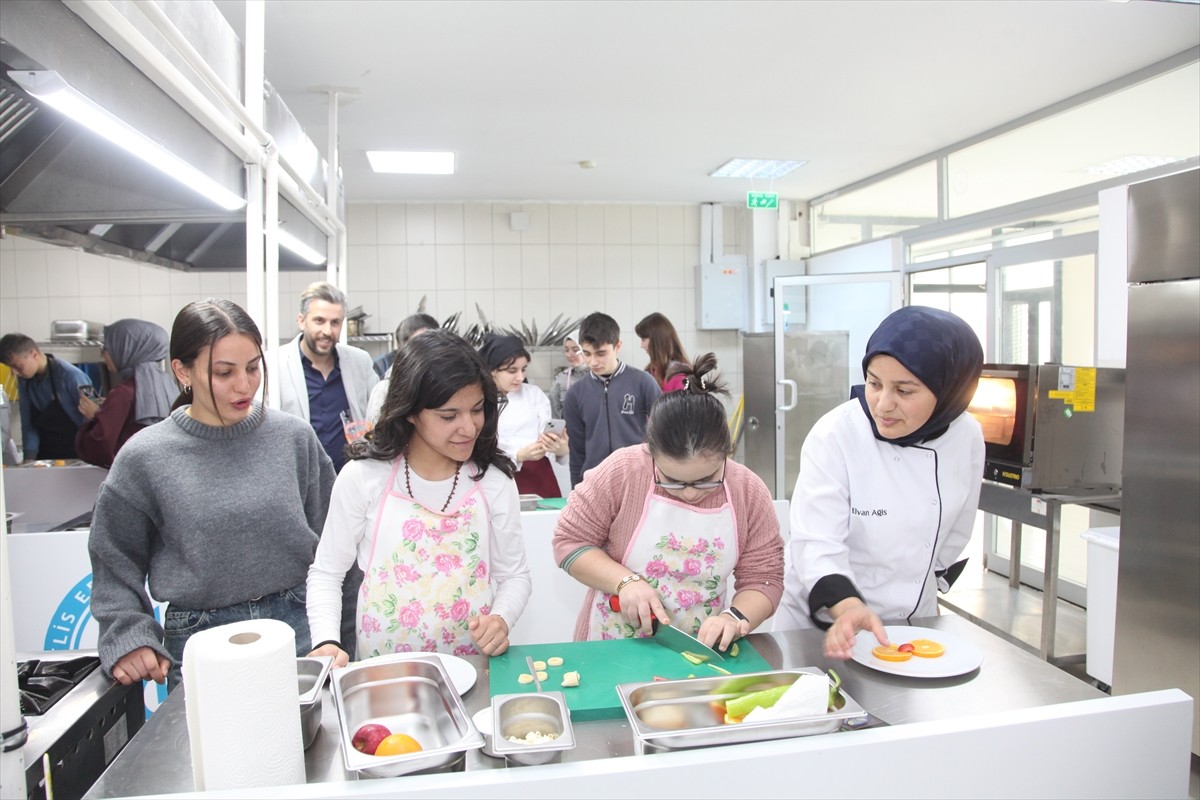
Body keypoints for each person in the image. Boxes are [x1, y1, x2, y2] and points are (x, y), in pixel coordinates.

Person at [87, 299, 336, 691]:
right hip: (202, 640)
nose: (244, 385)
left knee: (308, 749)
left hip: (300, 630)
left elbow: (337, 550)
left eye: (254, 368)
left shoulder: (294, 439)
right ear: (182, 371)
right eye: (224, 372)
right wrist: (127, 633)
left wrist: (338, 632)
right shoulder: (145, 457)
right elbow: (113, 557)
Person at [306, 329, 532, 666]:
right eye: (448, 416)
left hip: (472, 666)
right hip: (383, 670)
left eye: (476, 410)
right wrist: (326, 640)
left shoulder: (493, 482)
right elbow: (327, 573)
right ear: (410, 410)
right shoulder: (365, 477)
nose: (469, 428)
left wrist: (501, 619)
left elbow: (515, 575)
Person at [775, 306, 985, 660]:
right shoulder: (837, 434)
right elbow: (815, 543)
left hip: (912, 624)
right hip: (824, 627)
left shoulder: (967, 436)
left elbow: (957, 529)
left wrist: (930, 581)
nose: (883, 405)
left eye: (904, 391)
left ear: (951, 391)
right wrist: (849, 606)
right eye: (874, 383)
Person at [552, 353, 783, 650]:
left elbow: (764, 579)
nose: (689, 492)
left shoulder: (748, 491)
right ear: (651, 453)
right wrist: (624, 582)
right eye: (672, 480)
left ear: (728, 452)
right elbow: (569, 543)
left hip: (701, 650)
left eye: (706, 479)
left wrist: (734, 617)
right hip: (612, 646)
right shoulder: (623, 472)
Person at [279, 281, 379, 472]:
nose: (327, 331)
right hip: (300, 478)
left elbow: (379, 415)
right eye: (319, 321)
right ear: (301, 321)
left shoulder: (359, 362)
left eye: (335, 323)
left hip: (350, 478)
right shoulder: (276, 364)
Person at [563, 312, 661, 487]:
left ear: (618, 346)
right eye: (587, 353)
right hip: (595, 484)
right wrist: (576, 490)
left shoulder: (643, 382)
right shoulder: (575, 394)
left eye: (601, 353)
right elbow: (577, 452)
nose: (593, 362)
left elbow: (663, 436)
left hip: (638, 481)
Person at [75, 319, 177, 468]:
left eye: (107, 348)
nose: (103, 355)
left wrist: (96, 416)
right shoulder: (167, 385)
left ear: (126, 349)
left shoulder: (123, 392)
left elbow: (101, 447)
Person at [479, 334, 568, 498]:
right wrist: (518, 455)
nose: (520, 377)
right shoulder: (480, 402)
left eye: (524, 369)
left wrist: (560, 449)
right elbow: (482, 449)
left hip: (540, 476)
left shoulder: (534, 394)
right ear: (492, 370)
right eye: (512, 371)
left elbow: (547, 435)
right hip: (499, 477)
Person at [0, 333, 93, 460]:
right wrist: (29, 459)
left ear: (34, 354)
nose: (15, 372)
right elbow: (28, 424)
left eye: (17, 366)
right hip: (46, 454)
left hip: (78, 452)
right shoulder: (25, 382)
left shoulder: (71, 376)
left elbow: (92, 421)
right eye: (11, 368)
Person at [365, 312, 440, 423]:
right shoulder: (384, 390)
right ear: (402, 349)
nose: (427, 351)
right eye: (419, 345)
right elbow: (373, 433)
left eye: (432, 344)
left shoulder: (445, 384)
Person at [372, 312, 440, 379]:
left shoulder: (442, 365)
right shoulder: (382, 365)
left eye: (428, 342)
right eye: (416, 343)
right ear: (403, 346)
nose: (423, 349)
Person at [635, 312, 688, 393]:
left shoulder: (680, 376)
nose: (641, 345)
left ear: (656, 340)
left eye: (643, 340)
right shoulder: (652, 371)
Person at [547, 328, 588, 419]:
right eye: (566, 350)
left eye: (575, 350)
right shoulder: (561, 379)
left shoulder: (599, 376)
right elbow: (554, 413)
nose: (569, 354)